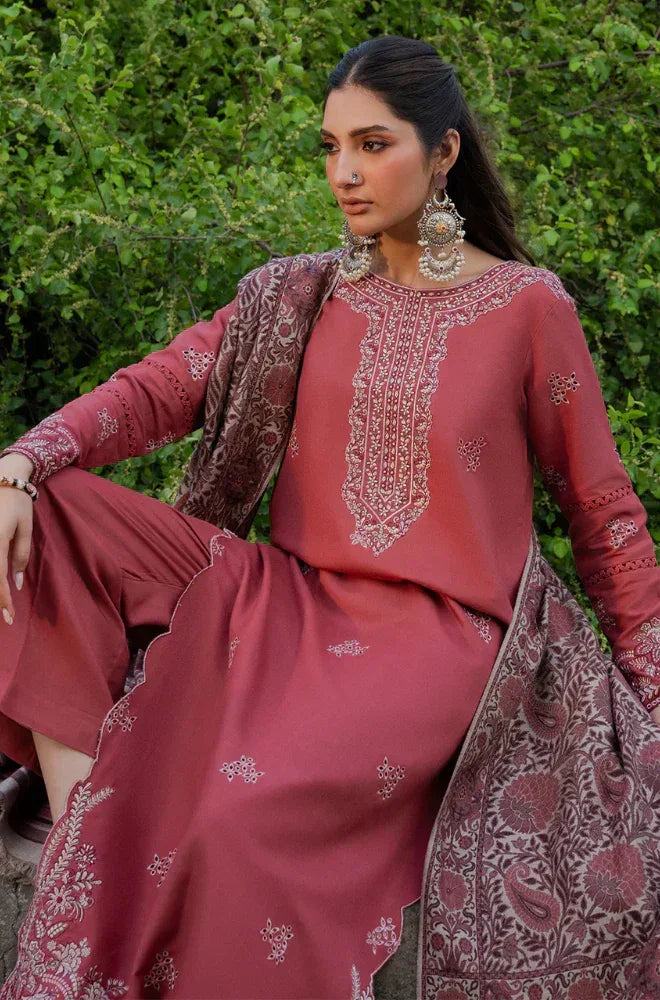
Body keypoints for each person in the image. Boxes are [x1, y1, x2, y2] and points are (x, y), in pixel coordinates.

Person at [0, 34, 658, 1000]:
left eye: (372, 145)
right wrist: (22, 460)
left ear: (443, 153)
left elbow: (604, 515)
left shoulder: (527, 308)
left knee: (237, 820)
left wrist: (652, 688)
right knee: (43, 506)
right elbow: (160, 389)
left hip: (439, 639)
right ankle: (85, 847)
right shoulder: (298, 293)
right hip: (285, 599)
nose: (343, 172)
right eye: (331, 146)